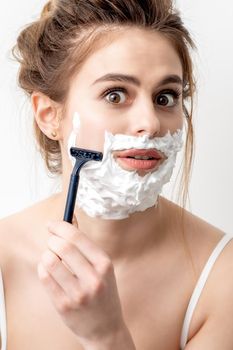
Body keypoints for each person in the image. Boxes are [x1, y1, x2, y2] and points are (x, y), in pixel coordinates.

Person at [0, 0, 232, 349]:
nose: (150, 123)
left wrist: (107, 336)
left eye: (165, 97)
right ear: (49, 115)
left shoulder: (221, 278)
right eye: (115, 94)